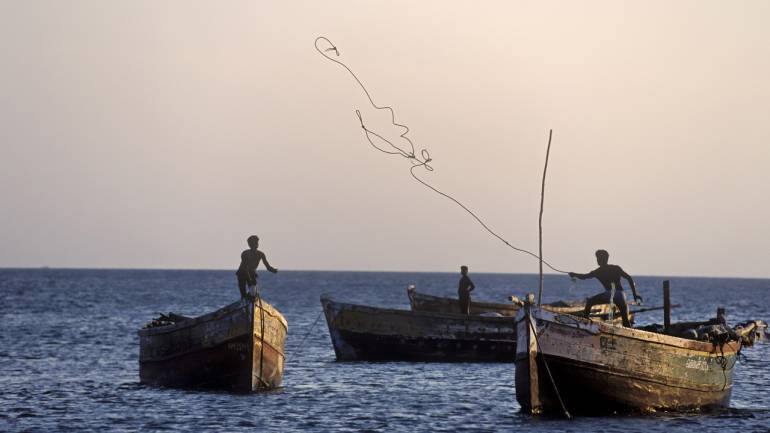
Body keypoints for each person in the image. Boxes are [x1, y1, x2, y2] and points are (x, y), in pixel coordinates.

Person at [568, 249, 642, 327]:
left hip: (609, 294)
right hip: (620, 294)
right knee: (625, 320)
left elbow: (584, 277)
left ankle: (585, 323)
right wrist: (635, 294)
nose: (597, 260)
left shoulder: (598, 271)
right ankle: (629, 335)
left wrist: (574, 274)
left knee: (589, 302)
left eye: (598, 258)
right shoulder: (616, 268)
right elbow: (629, 278)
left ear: (602, 259)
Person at [236, 235, 278, 300]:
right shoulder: (245, 253)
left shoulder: (261, 254)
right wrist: (250, 279)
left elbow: (267, 267)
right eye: (253, 243)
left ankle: (252, 299)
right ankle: (245, 299)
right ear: (249, 244)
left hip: (251, 273)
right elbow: (244, 267)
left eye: (256, 243)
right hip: (242, 273)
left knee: (254, 293)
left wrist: (273, 270)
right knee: (243, 295)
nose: (255, 244)